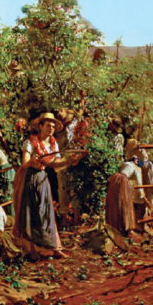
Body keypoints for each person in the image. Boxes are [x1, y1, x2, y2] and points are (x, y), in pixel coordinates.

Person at [13, 112, 87, 260]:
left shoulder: (53, 144)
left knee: (47, 214)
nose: (51, 128)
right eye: (48, 125)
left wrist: (71, 160)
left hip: (43, 179)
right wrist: (32, 161)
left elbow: (54, 164)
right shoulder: (30, 143)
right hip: (30, 179)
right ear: (40, 126)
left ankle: (55, 247)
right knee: (32, 214)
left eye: (53, 126)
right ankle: (32, 249)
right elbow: (24, 163)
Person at [55, 92, 86, 220]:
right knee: (62, 188)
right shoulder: (57, 131)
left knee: (75, 187)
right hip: (62, 160)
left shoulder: (74, 124)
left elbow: (80, 112)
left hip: (74, 158)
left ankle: (77, 216)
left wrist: (82, 99)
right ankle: (64, 216)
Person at [105, 155, 151, 236]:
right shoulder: (136, 168)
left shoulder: (125, 164)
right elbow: (139, 184)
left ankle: (116, 227)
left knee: (116, 203)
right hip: (122, 180)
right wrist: (144, 198)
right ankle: (128, 230)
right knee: (126, 204)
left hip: (114, 179)